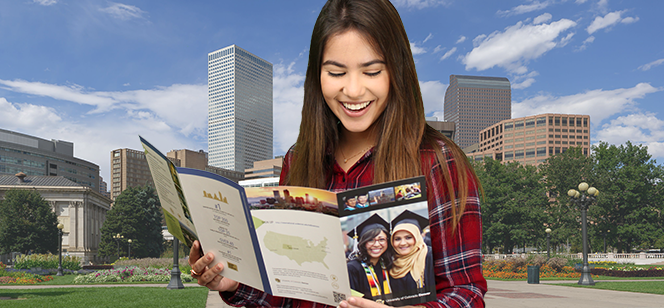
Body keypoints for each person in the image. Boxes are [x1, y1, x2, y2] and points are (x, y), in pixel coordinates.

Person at [188, 0, 486, 307]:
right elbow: (288, 293)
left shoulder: (437, 161)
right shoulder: (298, 158)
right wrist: (237, 282)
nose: (354, 91)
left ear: (397, 72)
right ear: (317, 77)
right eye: (336, 72)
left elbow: (466, 295)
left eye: (371, 71)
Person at [387, 210, 435, 306]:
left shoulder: (430, 256)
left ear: (417, 237)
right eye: (397, 239)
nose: (403, 243)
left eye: (408, 237)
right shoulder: (390, 262)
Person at [346, 214, 395, 303]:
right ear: (363, 243)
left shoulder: (388, 264)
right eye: (371, 240)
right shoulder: (352, 268)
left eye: (381, 239)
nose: (376, 244)